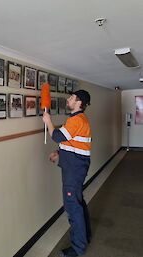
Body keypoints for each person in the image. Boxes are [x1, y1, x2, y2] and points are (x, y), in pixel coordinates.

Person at [42, 90, 92, 257]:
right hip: (76, 167)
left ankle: (78, 248)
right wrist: (59, 152)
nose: (68, 99)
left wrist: (48, 121)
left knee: (72, 207)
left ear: (79, 103)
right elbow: (69, 141)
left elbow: (57, 136)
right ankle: (85, 236)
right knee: (78, 202)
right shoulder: (77, 120)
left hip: (74, 170)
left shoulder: (77, 120)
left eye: (71, 98)